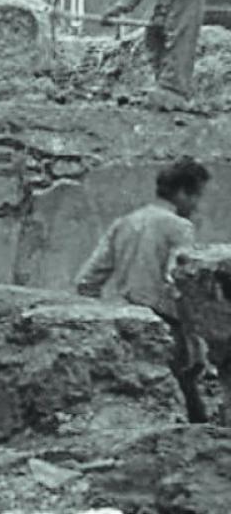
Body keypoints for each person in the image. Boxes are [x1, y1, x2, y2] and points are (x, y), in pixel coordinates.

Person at [74, 156, 211, 423]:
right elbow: (178, 280)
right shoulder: (180, 227)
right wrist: (197, 339)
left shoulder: (125, 223)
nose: (196, 205)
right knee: (187, 392)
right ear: (183, 192)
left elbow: (86, 281)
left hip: (126, 325)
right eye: (196, 197)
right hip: (166, 327)